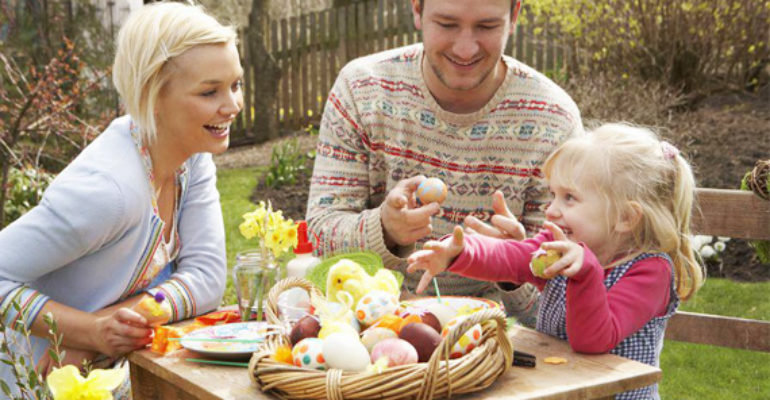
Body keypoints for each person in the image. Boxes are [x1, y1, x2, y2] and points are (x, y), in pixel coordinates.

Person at [0, 1, 242, 391]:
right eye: (210, 91)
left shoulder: (191, 159)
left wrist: (102, 327)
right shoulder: (107, 191)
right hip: (29, 386)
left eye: (235, 84)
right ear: (153, 94)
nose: (232, 105)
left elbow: (209, 279)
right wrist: (88, 331)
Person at [306, 0, 582, 322]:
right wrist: (384, 229)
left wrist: (514, 265)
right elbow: (321, 234)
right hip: (370, 327)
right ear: (417, 11)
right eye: (447, 24)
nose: (465, 50)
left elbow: (563, 306)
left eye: (486, 26)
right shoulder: (362, 90)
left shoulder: (553, 121)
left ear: (514, 16)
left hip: (494, 341)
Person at [407, 123, 705, 399]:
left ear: (625, 217)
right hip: (556, 389)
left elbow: (594, 341)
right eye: (553, 195)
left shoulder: (651, 271)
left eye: (569, 198)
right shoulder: (561, 247)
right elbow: (510, 257)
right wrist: (456, 252)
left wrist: (585, 274)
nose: (551, 211)